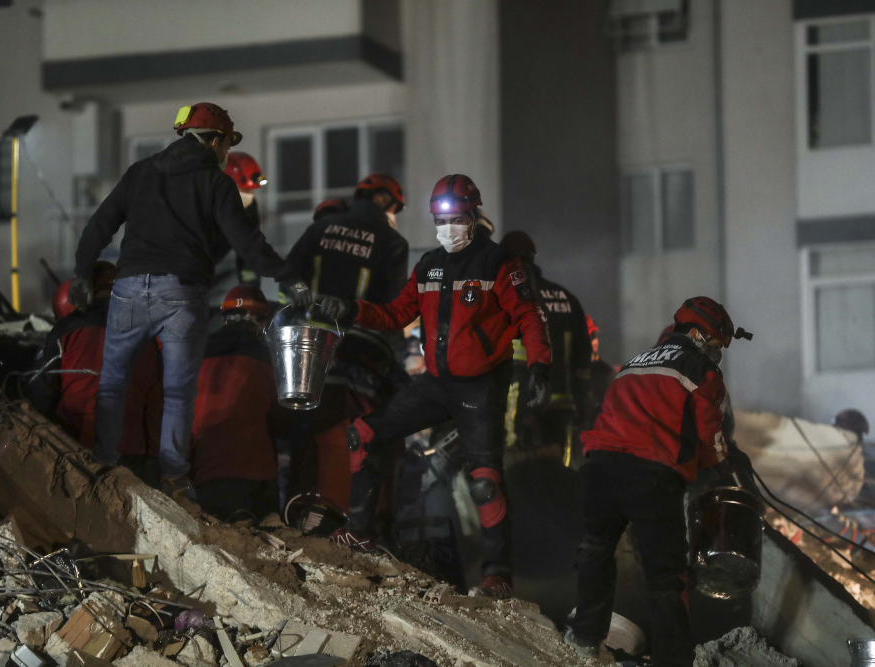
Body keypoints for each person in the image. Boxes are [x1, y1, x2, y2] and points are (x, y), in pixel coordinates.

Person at [321, 174, 552, 599]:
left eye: (456, 218)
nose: (448, 227)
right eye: (440, 219)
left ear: (473, 215)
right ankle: (360, 535)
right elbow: (395, 314)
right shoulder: (428, 264)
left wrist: (539, 367)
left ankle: (497, 575)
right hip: (436, 383)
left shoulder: (499, 263)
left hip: (481, 386)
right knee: (364, 434)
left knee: (484, 480)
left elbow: (529, 317)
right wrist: (352, 309)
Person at [68, 102, 311, 501]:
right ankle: (174, 478)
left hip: (128, 289)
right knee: (178, 392)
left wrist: (82, 270)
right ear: (214, 140)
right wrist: (289, 277)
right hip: (180, 294)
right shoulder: (216, 184)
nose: (225, 154)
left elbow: (100, 224)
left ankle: (105, 462)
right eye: (226, 145)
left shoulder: (141, 172)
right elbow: (246, 242)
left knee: (112, 384)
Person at [565, 296, 753, 666]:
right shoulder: (702, 371)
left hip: (600, 468)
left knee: (596, 550)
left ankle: (585, 639)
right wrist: (720, 465)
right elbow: (710, 434)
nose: (717, 354)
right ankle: (673, 660)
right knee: (667, 576)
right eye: (716, 345)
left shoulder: (633, 364)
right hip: (650, 478)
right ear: (698, 334)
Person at [281, 174, 411, 517]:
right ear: (382, 200)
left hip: (308, 350)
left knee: (307, 433)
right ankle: (348, 521)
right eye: (395, 207)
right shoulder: (392, 241)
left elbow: (288, 277)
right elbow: (392, 310)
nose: (394, 215)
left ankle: (299, 511)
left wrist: (306, 309)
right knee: (357, 438)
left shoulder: (320, 229)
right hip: (360, 354)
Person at [29, 263, 163, 485]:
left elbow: (39, 390)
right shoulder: (148, 334)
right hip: (134, 454)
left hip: (79, 450)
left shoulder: (66, 329)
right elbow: (159, 400)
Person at [190, 286, 281, 521]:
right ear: (261, 320)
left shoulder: (194, 357)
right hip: (257, 476)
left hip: (206, 473)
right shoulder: (271, 362)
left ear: (224, 318)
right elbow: (282, 420)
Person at [500, 231, 590, 465]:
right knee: (559, 471)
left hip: (516, 403)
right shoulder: (567, 298)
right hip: (561, 404)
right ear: (534, 257)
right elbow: (583, 357)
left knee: (514, 471)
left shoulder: (505, 296)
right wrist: (579, 401)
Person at [285, 173, 409, 303]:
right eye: (393, 209)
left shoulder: (322, 226)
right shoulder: (393, 243)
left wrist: (300, 302)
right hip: (355, 323)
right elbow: (394, 301)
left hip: (308, 321)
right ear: (379, 199)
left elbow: (289, 272)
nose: (393, 217)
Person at [223, 151, 267, 287]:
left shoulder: (249, 207)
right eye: (243, 190)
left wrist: (250, 287)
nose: (249, 195)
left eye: (250, 190)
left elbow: (250, 247)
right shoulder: (202, 205)